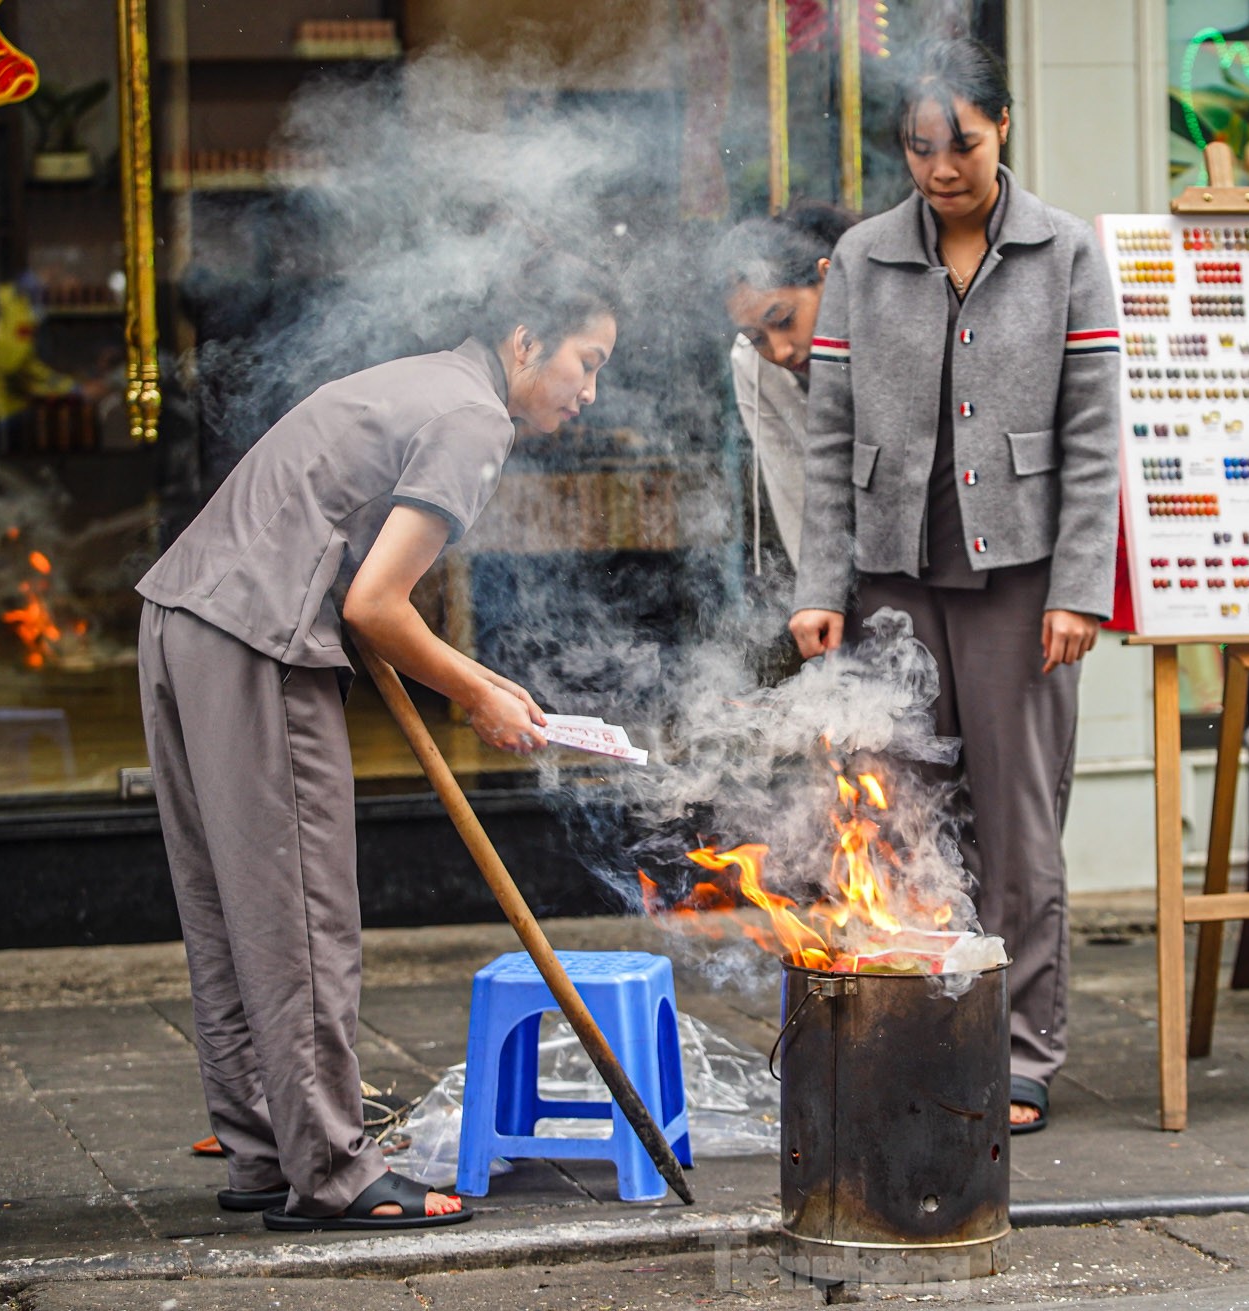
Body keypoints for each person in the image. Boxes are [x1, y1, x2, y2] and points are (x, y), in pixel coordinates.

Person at [135, 249, 619, 1230]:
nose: (590, 392)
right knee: (303, 912)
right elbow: (376, 603)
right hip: (256, 640)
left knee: (234, 911)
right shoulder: (474, 417)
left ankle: (267, 1151)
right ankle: (336, 1173)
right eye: (588, 360)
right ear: (525, 341)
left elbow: (360, 592)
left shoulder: (422, 380)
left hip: (181, 618)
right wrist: (480, 693)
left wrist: (472, 680)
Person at [788, 38, 1121, 1134]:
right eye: (920, 147)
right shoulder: (862, 256)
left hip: (1021, 580)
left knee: (1020, 824)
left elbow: (1091, 435)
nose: (940, 167)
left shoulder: (1066, 252)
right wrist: (817, 583)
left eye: (961, 143)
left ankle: (1022, 1051)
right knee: (898, 813)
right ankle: (914, 1028)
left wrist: (1080, 589)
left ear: (1003, 130)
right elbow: (827, 440)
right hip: (891, 577)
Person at [713, 202, 858, 572]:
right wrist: (822, 604)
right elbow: (799, 498)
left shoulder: (900, 324)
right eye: (757, 336)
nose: (779, 350)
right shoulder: (750, 363)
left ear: (828, 278)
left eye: (784, 319)